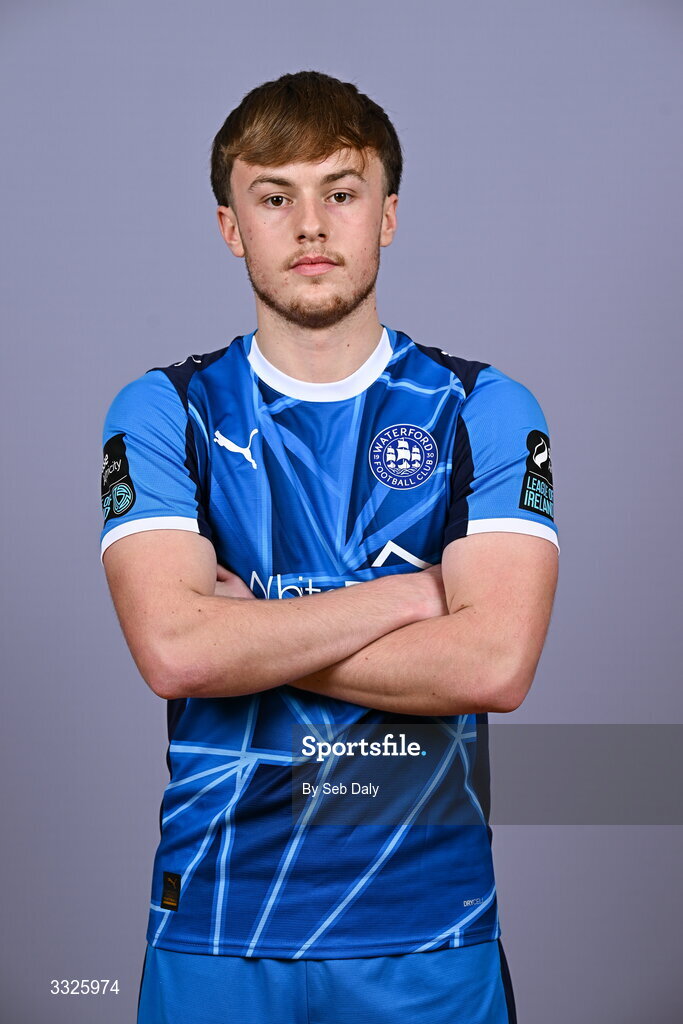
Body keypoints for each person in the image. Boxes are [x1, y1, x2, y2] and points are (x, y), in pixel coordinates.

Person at [100, 70, 559, 1024]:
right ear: (234, 226)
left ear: (386, 215)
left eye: (340, 193)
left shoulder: (484, 407)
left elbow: (495, 663)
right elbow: (177, 651)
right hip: (217, 921)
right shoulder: (165, 412)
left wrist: (251, 634)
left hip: (428, 928)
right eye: (274, 197)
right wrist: (413, 596)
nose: (310, 226)